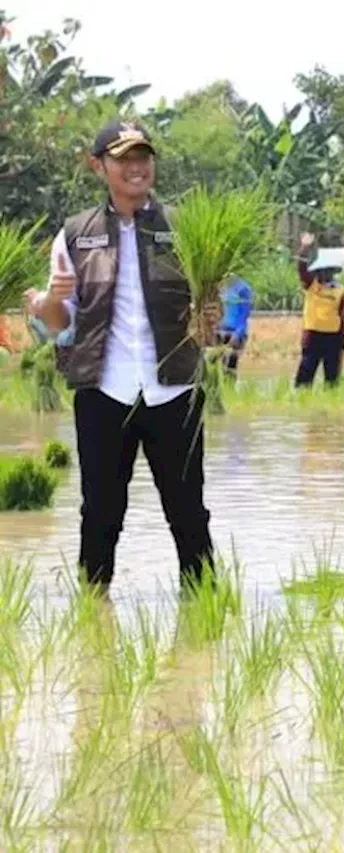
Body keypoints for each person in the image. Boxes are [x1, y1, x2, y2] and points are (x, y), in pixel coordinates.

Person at [27, 119, 215, 593]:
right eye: (123, 158)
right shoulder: (74, 234)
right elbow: (56, 326)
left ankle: (205, 619)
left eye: (143, 157)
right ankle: (94, 613)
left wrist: (209, 316)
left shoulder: (183, 228)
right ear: (98, 166)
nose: (136, 168)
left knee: (189, 511)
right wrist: (49, 301)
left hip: (173, 390)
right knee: (100, 513)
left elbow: (207, 322)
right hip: (102, 392)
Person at [294, 233, 344, 387]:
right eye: (323, 271)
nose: (326, 274)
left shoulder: (340, 290)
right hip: (313, 335)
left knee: (332, 375)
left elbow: (343, 314)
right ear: (317, 272)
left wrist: (342, 340)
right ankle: (302, 398)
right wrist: (305, 247)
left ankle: (329, 400)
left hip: (333, 336)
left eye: (329, 271)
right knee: (306, 371)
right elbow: (301, 267)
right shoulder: (311, 285)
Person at [216, 275, 253, 378]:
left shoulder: (242, 289)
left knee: (230, 367)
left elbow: (244, 314)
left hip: (234, 333)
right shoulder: (217, 286)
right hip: (219, 331)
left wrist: (237, 334)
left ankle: (230, 388)